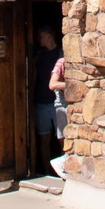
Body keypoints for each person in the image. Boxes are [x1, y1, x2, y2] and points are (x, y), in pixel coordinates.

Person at [31, 23, 66, 172]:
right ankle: (46, 171)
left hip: (57, 102)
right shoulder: (39, 56)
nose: (39, 40)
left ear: (48, 36)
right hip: (41, 101)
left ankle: (62, 169)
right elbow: (33, 75)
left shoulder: (60, 55)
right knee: (43, 139)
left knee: (62, 139)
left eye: (41, 37)